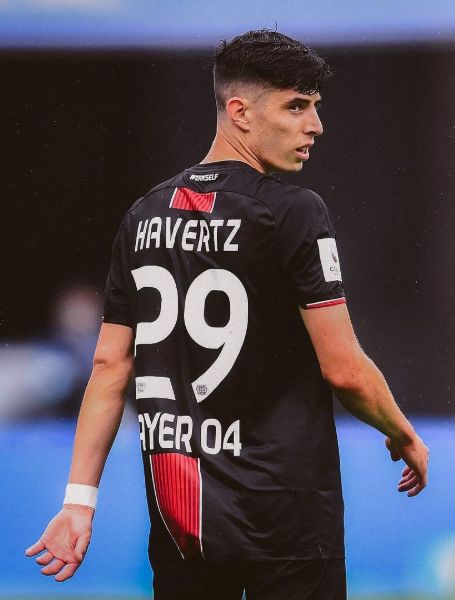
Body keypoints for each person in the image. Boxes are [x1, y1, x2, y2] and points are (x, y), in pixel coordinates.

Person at [25, 29, 429, 599]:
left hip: (181, 518)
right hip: (284, 515)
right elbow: (344, 370)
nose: (315, 126)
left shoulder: (144, 215)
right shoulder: (293, 212)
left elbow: (110, 365)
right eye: (296, 106)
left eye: (315, 107)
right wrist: (402, 431)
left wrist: (78, 502)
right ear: (239, 112)